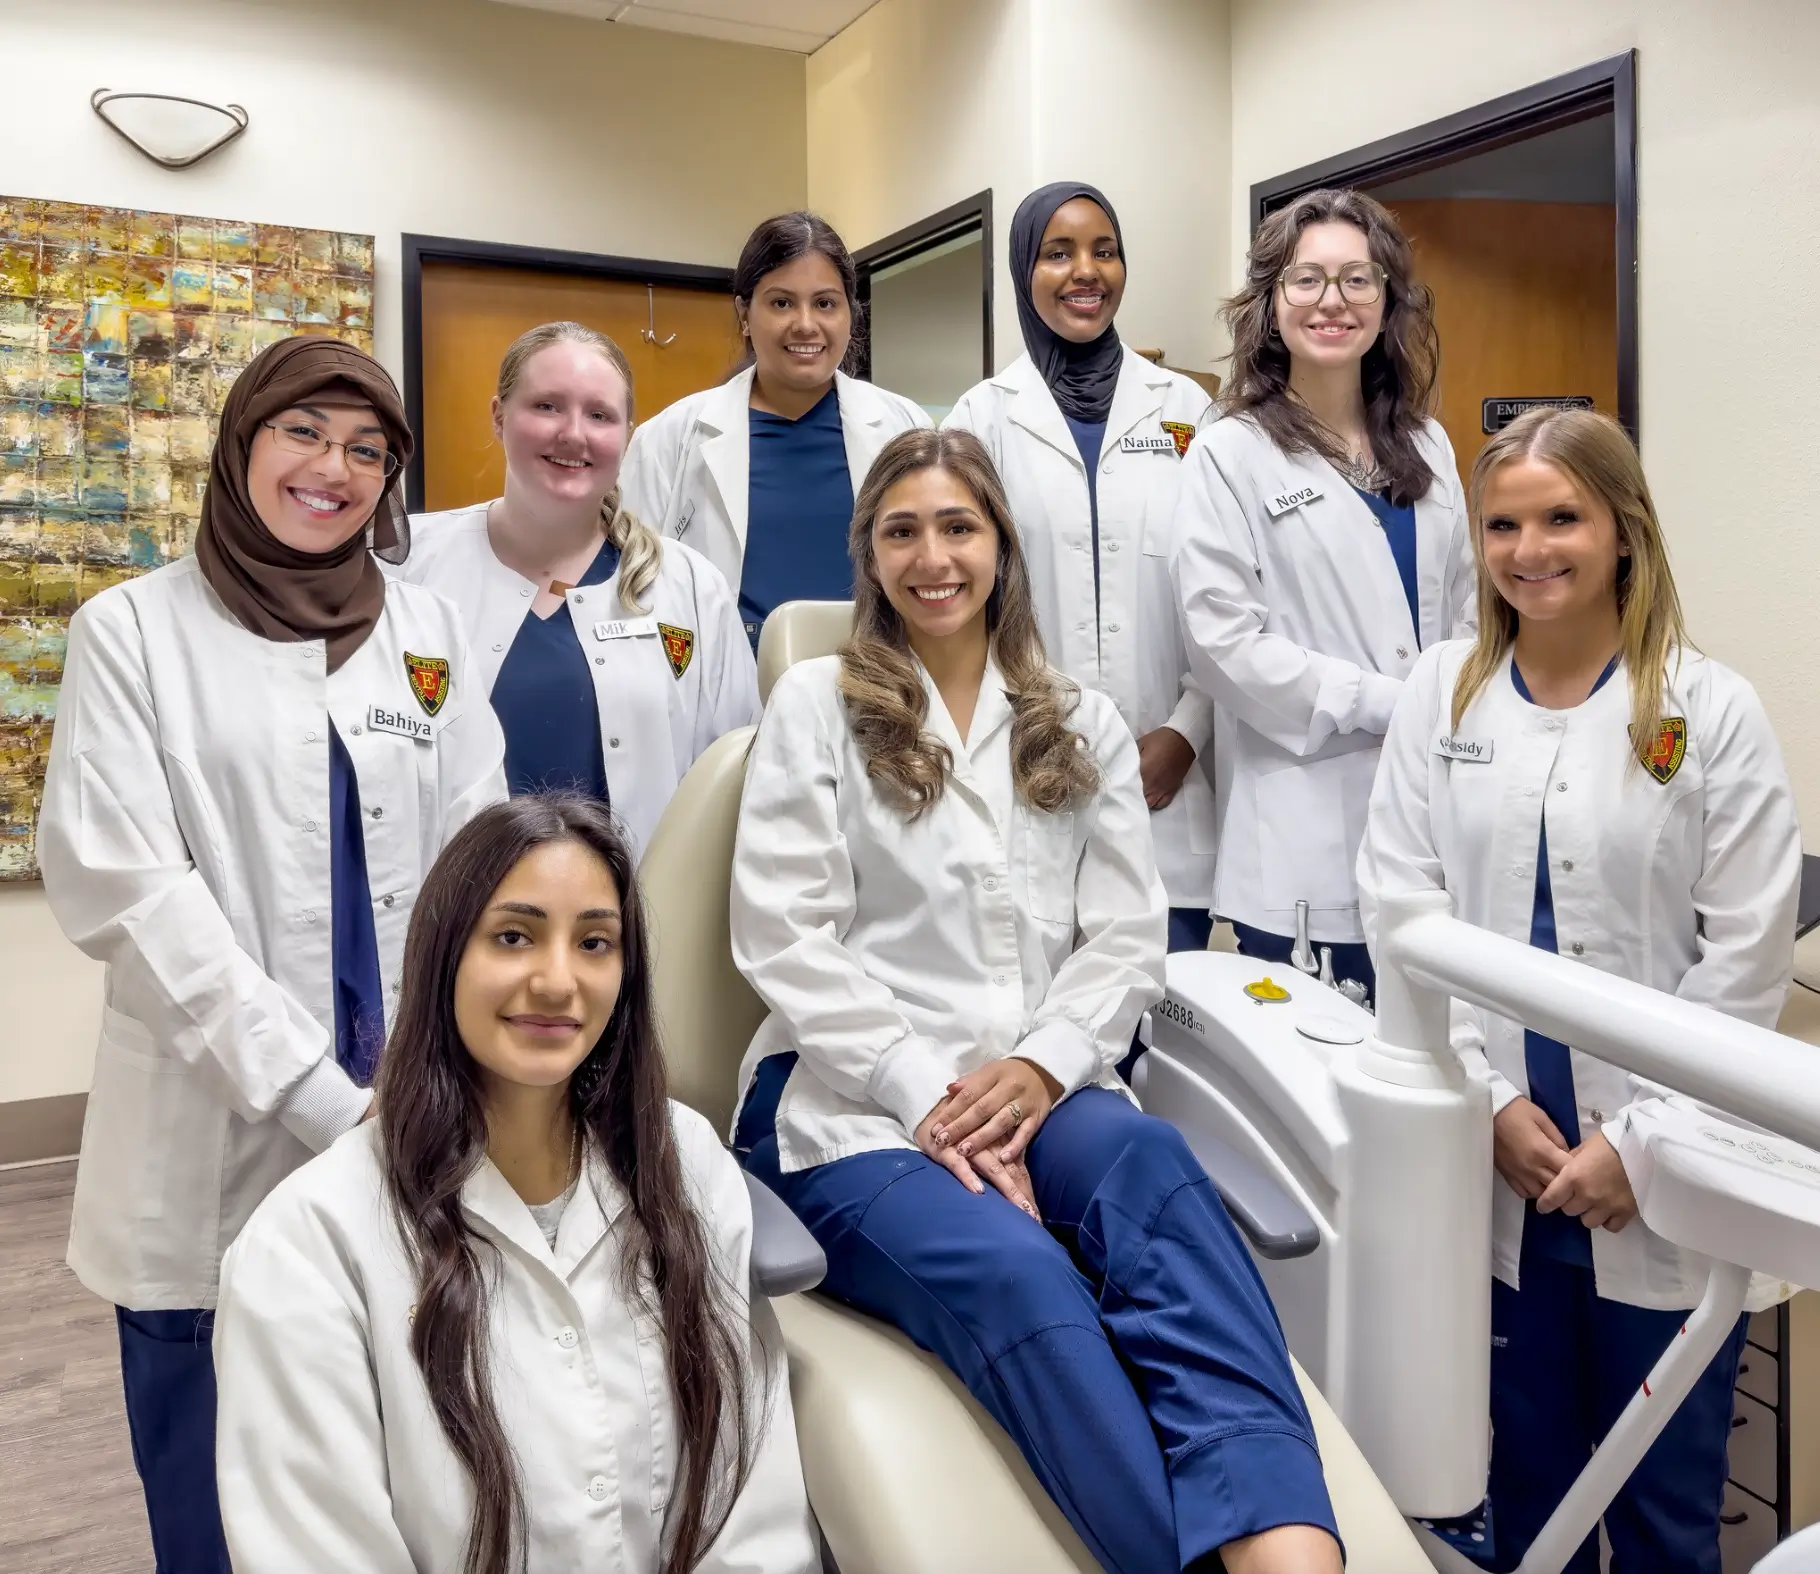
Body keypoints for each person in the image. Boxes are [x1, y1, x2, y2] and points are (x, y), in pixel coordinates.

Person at [730, 427, 1342, 1574]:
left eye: (957, 526)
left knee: (1156, 1174)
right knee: (1019, 1271)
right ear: (868, 553)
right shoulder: (817, 704)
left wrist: (1044, 1065)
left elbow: (1123, 936)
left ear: (1002, 547)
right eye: (900, 530)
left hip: (1046, 1087)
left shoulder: (1078, 717)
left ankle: (1289, 1548)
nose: (932, 556)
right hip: (852, 1106)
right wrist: (932, 1095)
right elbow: (783, 935)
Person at [36, 336, 507, 1573]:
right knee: (210, 1497)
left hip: (411, 1106)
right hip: (216, 1129)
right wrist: (317, 1097)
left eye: (367, 449)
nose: (332, 468)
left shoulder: (428, 627)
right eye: (302, 431)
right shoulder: (130, 631)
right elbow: (132, 895)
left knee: (392, 1468)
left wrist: (437, 1074)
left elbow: (479, 851)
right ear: (243, 441)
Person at [1356, 407, 1801, 1573]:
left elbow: (1744, 953)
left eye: (1561, 517)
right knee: (1522, 1490)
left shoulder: (1704, 709)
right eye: (1500, 522)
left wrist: (1640, 1137)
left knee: (1662, 1504)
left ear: (1620, 532)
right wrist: (1491, 1098)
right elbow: (1400, 907)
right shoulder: (1439, 691)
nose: (1527, 548)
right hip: (1499, 1168)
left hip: (1660, 1181)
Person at [213, 797, 816, 1574]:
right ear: (443, 957)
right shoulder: (307, 1248)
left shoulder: (687, 1162)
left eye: (595, 942)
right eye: (513, 936)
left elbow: (753, 1506)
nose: (559, 980)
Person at [1173, 187, 1474, 997]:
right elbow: (1224, 645)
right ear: (1271, 305)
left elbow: (1470, 609)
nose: (1332, 301)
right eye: (1305, 280)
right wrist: (1391, 704)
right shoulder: (1229, 450)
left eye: (1357, 279)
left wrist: (1458, 706)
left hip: (1438, 813)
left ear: (1387, 300)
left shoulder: (1427, 443)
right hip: (1303, 833)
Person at [945, 181, 1217, 957]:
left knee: (1175, 1027)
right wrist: (1020, 726)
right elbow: (960, 604)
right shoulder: (983, 417)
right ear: (1024, 271)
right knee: (1044, 1016)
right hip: (1027, 759)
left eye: (1105, 250)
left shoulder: (1188, 413)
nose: (1085, 271)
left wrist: (1187, 732)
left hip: (1172, 774)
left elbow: (1232, 591)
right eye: (1057, 253)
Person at [402, 321, 757, 852]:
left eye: (599, 415)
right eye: (546, 406)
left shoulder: (690, 588)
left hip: (634, 919)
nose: (573, 433)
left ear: (627, 435)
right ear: (499, 416)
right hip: (452, 917)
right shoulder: (407, 566)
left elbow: (736, 780)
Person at [620, 211, 930, 648]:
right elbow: (630, 586)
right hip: (725, 693)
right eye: (781, 302)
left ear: (849, 314)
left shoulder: (905, 426)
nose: (805, 324)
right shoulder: (668, 439)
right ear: (744, 314)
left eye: (825, 303)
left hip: (876, 680)